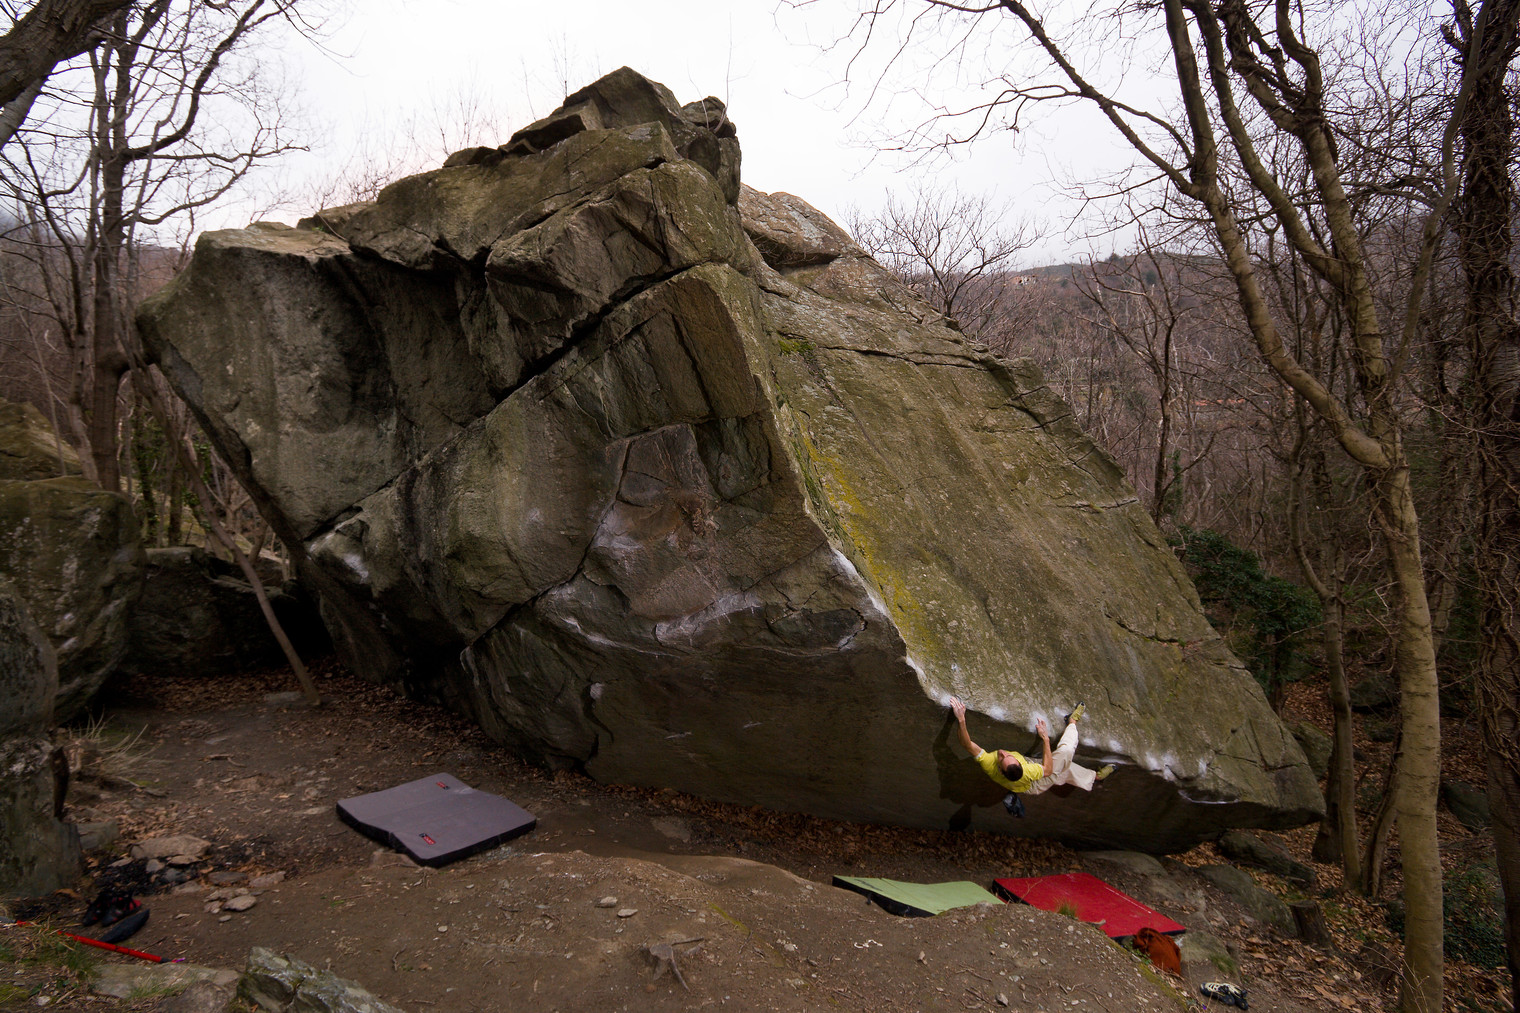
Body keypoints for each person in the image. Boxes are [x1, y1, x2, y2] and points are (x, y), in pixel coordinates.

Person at [948, 696, 1113, 815]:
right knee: (1065, 754)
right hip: (1035, 785)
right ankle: (1072, 723)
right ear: (1001, 771)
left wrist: (961, 720)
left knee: (1064, 766)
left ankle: (1094, 775)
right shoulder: (1021, 770)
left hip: (1033, 774)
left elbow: (967, 744)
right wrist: (1045, 738)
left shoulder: (993, 762)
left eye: (1005, 756)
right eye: (1003, 757)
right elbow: (1047, 770)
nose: (1002, 753)